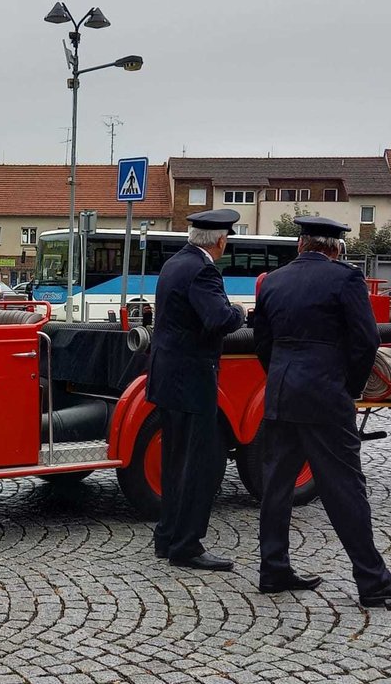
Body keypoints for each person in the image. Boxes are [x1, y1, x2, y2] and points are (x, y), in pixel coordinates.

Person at [253, 215, 391, 606]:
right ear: (334, 248)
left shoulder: (273, 282)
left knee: (276, 486)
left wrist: (281, 376)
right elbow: (366, 341)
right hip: (326, 395)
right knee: (345, 486)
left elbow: (262, 342)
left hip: (281, 393)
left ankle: (273, 568)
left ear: (300, 245)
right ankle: (372, 578)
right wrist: (347, 388)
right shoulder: (345, 280)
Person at [146, 208, 246, 570]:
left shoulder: (174, 264)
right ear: (220, 240)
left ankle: (167, 536)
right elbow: (219, 319)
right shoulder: (204, 270)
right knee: (198, 464)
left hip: (168, 377)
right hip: (193, 380)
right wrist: (239, 311)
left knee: (174, 461)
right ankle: (187, 546)